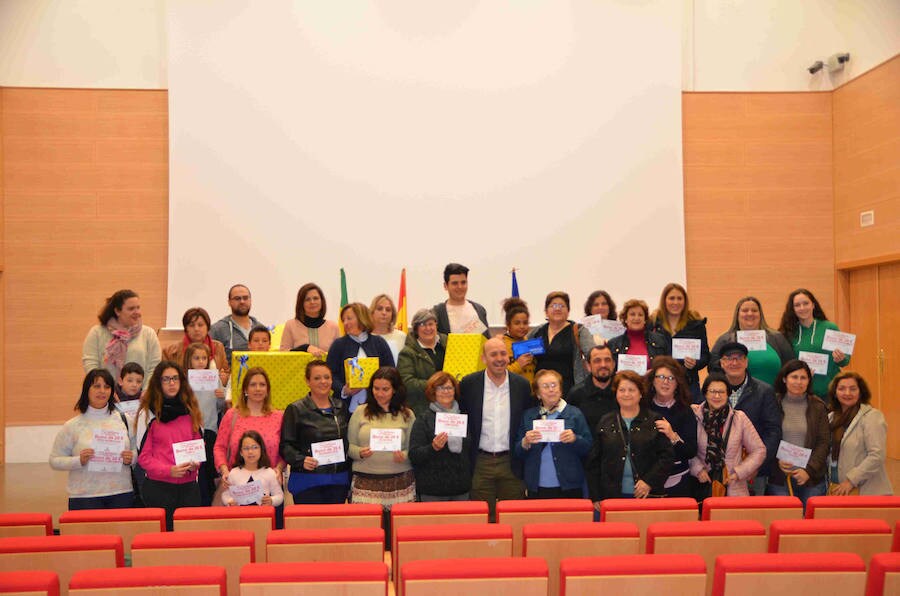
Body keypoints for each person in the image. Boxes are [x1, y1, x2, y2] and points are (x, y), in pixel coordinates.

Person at [458, 338, 536, 518]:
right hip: (480, 462)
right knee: (482, 517)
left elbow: (526, 420)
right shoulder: (469, 384)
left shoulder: (522, 385)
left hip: (512, 461)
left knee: (513, 516)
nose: (499, 358)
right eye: (493, 354)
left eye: (503, 354)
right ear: (484, 358)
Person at [49, 369, 135, 510]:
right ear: (86, 389)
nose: (102, 391)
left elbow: (136, 452)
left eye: (107, 387)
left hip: (121, 493)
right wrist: (78, 460)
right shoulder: (73, 425)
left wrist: (131, 458)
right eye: (96, 386)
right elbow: (54, 460)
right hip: (84, 497)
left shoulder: (125, 420)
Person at [347, 367, 416, 536]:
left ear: (395, 390)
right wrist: (360, 452)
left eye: (385, 389)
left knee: (398, 534)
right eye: (376, 388)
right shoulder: (360, 412)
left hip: (399, 483)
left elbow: (413, 449)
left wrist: (404, 456)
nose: (380, 393)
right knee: (367, 535)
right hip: (365, 483)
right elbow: (349, 447)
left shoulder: (407, 414)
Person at [586, 371, 674, 503]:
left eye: (631, 390)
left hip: (646, 495)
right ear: (616, 394)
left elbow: (667, 457)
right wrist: (596, 497)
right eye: (622, 390)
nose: (626, 394)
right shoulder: (605, 421)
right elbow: (594, 462)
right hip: (611, 496)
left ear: (640, 394)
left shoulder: (654, 420)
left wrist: (649, 482)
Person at [137, 362, 203, 529]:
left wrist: (195, 464)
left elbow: (198, 449)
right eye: (166, 379)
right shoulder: (148, 413)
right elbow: (143, 458)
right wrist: (169, 471)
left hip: (189, 487)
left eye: (175, 378)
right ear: (158, 383)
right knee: (163, 543)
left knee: (188, 539)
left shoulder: (191, 411)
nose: (171, 383)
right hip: (159, 488)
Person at [713, 342, 781, 495]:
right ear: (722, 363)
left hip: (755, 471)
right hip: (718, 472)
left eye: (739, 358)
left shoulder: (764, 391)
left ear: (746, 362)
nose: (734, 362)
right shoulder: (713, 390)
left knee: (751, 515)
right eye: (729, 358)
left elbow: (773, 431)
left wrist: (756, 466)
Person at [280, 360, 351, 504]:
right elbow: (285, 446)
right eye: (317, 378)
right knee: (310, 526)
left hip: (338, 480)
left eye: (327, 377)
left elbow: (348, 441)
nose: (323, 382)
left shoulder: (340, 407)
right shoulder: (296, 409)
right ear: (307, 381)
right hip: (308, 481)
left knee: (336, 525)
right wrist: (301, 460)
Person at [515, 369, 592, 499]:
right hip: (536, 485)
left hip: (570, 485)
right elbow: (518, 452)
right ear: (538, 394)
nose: (551, 390)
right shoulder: (528, 416)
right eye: (545, 386)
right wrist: (524, 442)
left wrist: (575, 439)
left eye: (554, 385)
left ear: (561, 390)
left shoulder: (574, 414)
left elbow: (588, 446)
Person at [689, 373, 766, 497]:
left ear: (728, 394)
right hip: (703, 485)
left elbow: (759, 450)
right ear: (705, 393)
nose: (717, 396)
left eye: (722, 392)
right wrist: (698, 469)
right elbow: (686, 449)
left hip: (734, 487)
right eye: (713, 391)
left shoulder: (739, 418)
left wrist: (739, 473)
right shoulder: (694, 416)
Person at [214, 368, 285, 501]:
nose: (258, 389)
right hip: (236, 487)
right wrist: (224, 471)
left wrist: (279, 468)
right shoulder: (232, 415)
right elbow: (220, 447)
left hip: (270, 488)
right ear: (245, 389)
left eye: (262, 385)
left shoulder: (278, 417)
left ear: (268, 389)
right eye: (253, 384)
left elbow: (286, 449)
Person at [766, 360, 830, 506]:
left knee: (811, 526)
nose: (798, 382)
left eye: (803, 378)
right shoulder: (772, 403)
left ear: (809, 381)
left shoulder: (818, 406)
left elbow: (824, 442)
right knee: (784, 523)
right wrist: (777, 462)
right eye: (794, 377)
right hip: (779, 477)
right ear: (784, 379)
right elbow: (767, 436)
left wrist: (809, 470)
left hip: (811, 478)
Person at [408, 372, 472, 501]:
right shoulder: (424, 419)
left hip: (461, 488)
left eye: (449, 387)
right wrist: (433, 447)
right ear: (433, 392)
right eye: (440, 388)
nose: (446, 391)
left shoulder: (462, 417)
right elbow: (414, 455)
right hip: (433, 490)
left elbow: (469, 451)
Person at [827, 371, 892, 495]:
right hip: (836, 489)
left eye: (853, 389)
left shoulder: (872, 417)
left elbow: (877, 455)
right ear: (835, 393)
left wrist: (851, 480)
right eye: (842, 389)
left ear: (860, 392)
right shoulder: (830, 417)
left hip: (866, 490)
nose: (847, 393)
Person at [778, 288, 851, 398]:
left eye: (806, 303)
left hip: (831, 391)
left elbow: (845, 361)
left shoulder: (829, 327)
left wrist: (841, 359)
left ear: (813, 305)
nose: (802, 308)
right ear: (792, 309)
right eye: (797, 305)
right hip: (802, 392)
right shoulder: (788, 332)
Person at [82, 289, 161, 389]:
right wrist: (105, 389)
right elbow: (91, 364)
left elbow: (155, 367)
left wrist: (146, 390)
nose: (137, 312)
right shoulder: (97, 332)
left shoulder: (149, 333)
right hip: (105, 395)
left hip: (141, 397)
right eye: (131, 308)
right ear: (117, 311)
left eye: (138, 307)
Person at [325, 302, 395, 413]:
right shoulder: (338, 345)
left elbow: (391, 371)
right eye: (344, 320)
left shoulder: (379, 343)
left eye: (349, 318)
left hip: (377, 405)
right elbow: (329, 373)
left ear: (362, 318)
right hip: (345, 407)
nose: (346, 323)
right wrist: (344, 389)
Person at [645, 356, 698, 497]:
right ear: (653, 381)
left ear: (678, 384)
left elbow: (691, 451)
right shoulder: (643, 408)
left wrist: (673, 436)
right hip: (647, 482)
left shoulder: (685, 411)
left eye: (671, 378)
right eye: (661, 377)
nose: (665, 382)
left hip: (678, 480)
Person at [710, 296, 793, 386]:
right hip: (736, 397)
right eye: (745, 310)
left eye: (754, 310)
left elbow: (791, 366)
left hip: (774, 396)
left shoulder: (777, 338)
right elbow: (713, 368)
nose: (750, 313)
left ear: (760, 314)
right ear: (738, 314)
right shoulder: (725, 340)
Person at [649, 283, 710, 399]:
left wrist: (695, 363)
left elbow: (706, 356)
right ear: (664, 300)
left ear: (685, 301)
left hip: (688, 385)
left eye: (679, 298)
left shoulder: (696, 324)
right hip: (659, 385)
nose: (675, 302)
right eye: (671, 298)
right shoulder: (653, 323)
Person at [183, 342, 225, 506]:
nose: (200, 362)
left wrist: (221, 397)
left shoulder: (214, 379)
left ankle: (209, 503)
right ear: (189, 360)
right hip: (191, 432)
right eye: (196, 358)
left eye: (204, 358)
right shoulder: (184, 381)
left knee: (209, 472)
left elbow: (220, 408)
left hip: (210, 430)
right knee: (195, 471)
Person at [528, 291, 594, 395]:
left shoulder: (578, 330)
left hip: (569, 389)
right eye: (553, 305)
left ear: (568, 311)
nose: (557, 308)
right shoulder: (537, 331)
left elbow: (592, 354)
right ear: (546, 311)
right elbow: (521, 348)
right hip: (540, 390)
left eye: (562, 306)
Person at [162, 307, 230, 387]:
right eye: (191, 325)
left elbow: (226, 372)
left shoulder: (218, 347)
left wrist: (225, 379)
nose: (196, 329)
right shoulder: (170, 351)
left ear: (208, 327)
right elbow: (164, 378)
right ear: (186, 328)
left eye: (200, 325)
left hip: (213, 396)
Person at [397, 309, 446, 416]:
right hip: (421, 409)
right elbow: (407, 383)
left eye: (431, 324)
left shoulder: (449, 344)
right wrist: (436, 384)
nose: (428, 328)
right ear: (416, 328)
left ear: (436, 325)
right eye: (423, 324)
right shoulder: (407, 353)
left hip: (449, 405)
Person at [222, 430, 284, 507]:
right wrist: (229, 501)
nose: (250, 452)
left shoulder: (269, 472)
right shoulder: (234, 473)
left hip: (263, 516)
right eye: (246, 448)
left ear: (261, 450)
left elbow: (279, 496)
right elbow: (225, 495)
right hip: (240, 516)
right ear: (241, 452)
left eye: (255, 447)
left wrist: (271, 500)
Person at [607, 299, 670, 372]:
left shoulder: (660, 340)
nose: (636, 318)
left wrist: (654, 374)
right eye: (632, 314)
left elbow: (668, 367)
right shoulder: (613, 344)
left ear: (645, 320)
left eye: (640, 315)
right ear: (625, 319)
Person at [280, 283, 340, 356]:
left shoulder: (333, 327)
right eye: (307, 299)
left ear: (322, 301)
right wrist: (305, 348)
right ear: (301, 303)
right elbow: (283, 354)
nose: (312, 302)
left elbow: (339, 355)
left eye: (316, 298)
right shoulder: (290, 325)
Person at [567, 345, 617, 433]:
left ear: (613, 364)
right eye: (597, 361)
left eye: (607, 360)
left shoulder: (623, 392)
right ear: (588, 366)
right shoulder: (576, 394)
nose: (603, 365)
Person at [432, 263, 490, 337]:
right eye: (455, 283)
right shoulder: (438, 313)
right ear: (445, 286)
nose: (460, 287)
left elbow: (487, 339)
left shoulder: (480, 310)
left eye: (463, 282)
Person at [210, 284, 264, 363]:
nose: (242, 301)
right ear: (229, 302)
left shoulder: (261, 328)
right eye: (237, 298)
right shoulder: (217, 330)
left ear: (251, 300)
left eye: (245, 298)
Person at [501, 297, 535, 384]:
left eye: (525, 322)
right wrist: (518, 365)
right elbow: (497, 373)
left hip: (530, 392)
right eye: (517, 323)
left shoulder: (530, 343)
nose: (522, 326)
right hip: (511, 392)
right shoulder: (501, 344)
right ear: (508, 325)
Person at [370, 294, 408, 364]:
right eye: (379, 309)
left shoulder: (402, 336)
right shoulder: (365, 337)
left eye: (388, 310)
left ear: (392, 314)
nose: (384, 313)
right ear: (372, 312)